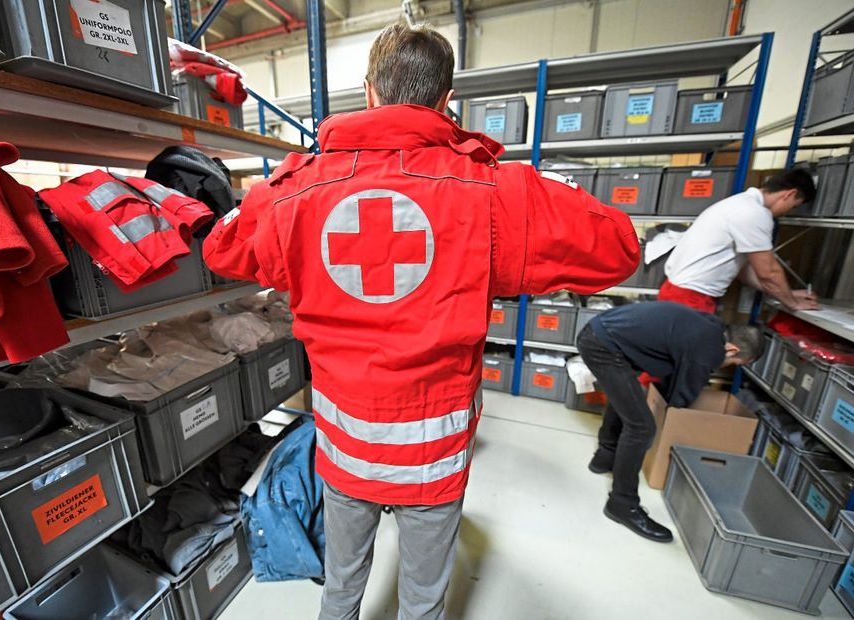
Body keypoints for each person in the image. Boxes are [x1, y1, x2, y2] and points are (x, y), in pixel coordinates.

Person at [203, 22, 639, 620]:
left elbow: (222, 249)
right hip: (433, 453)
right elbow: (618, 247)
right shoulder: (495, 191)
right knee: (424, 598)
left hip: (345, 445)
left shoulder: (293, 191)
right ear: (445, 101)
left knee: (341, 584)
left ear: (369, 93)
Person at [576, 302, 763, 543]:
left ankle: (605, 456)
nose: (726, 367)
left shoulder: (711, 327)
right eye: (734, 363)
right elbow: (681, 397)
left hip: (602, 332)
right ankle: (622, 504)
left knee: (629, 398)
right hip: (602, 345)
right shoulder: (710, 349)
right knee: (642, 427)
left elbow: (675, 373)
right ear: (732, 349)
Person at [660, 168, 819, 313]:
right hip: (690, 299)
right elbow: (768, 272)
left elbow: (746, 272)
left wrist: (788, 294)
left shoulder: (737, 204)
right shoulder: (754, 213)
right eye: (793, 206)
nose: (787, 212)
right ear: (789, 194)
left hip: (676, 292)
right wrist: (793, 303)